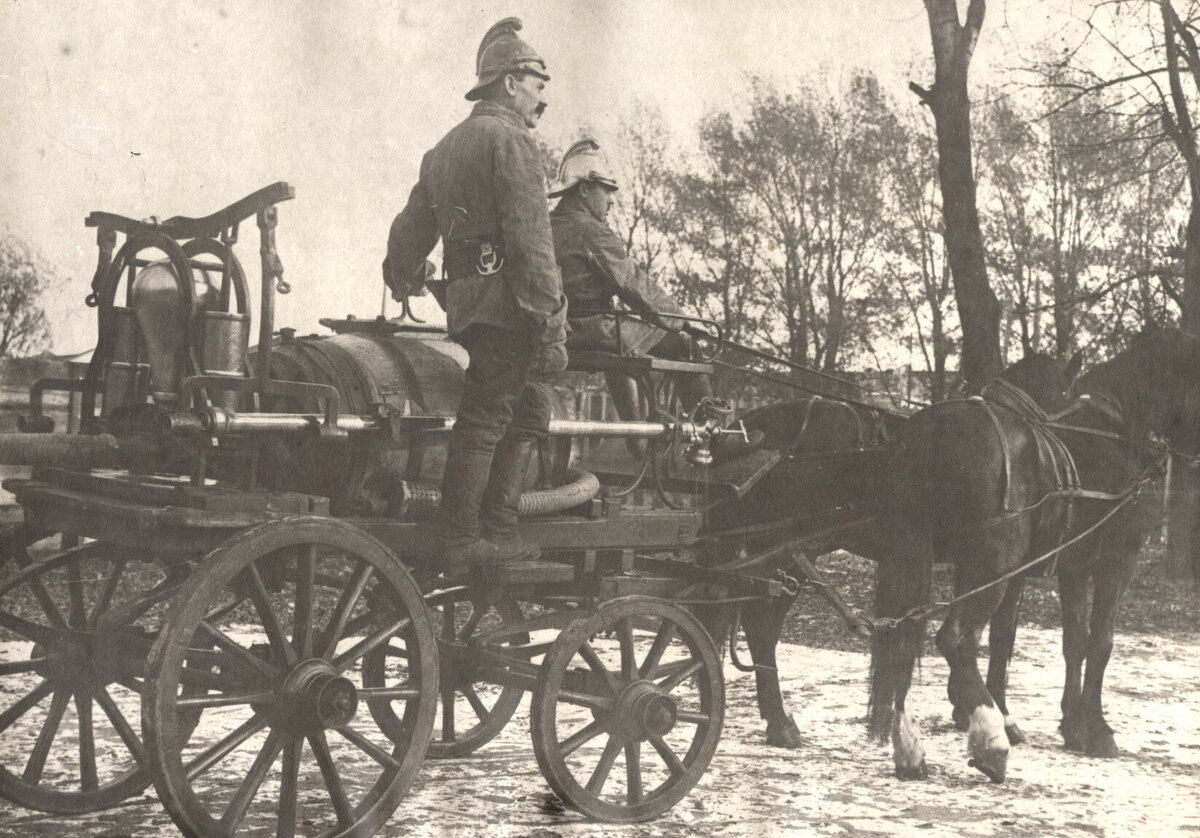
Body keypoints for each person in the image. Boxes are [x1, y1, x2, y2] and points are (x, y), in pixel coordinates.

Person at [383, 18, 567, 573]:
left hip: (467, 306)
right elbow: (531, 240)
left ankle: (499, 528)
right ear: (509, 82)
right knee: (487, 417)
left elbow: (409, 229)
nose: (542, 98)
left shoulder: (443, 149)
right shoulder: (510, 139)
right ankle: (466, 536)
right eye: (538, 83)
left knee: (526, 407)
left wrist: (403, 275)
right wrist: (551, 320)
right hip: (512, 306)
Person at [549, 140, 713, 426]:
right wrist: (681, 320)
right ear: (585, 190)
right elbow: (632, 282)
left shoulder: (546, 225)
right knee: (685, 348)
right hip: (592, 330)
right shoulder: (591, 231)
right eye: (606, 190)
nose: (612, 200)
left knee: (625, 338)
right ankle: (712, 436)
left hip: (562, 329)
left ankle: (635, 437)